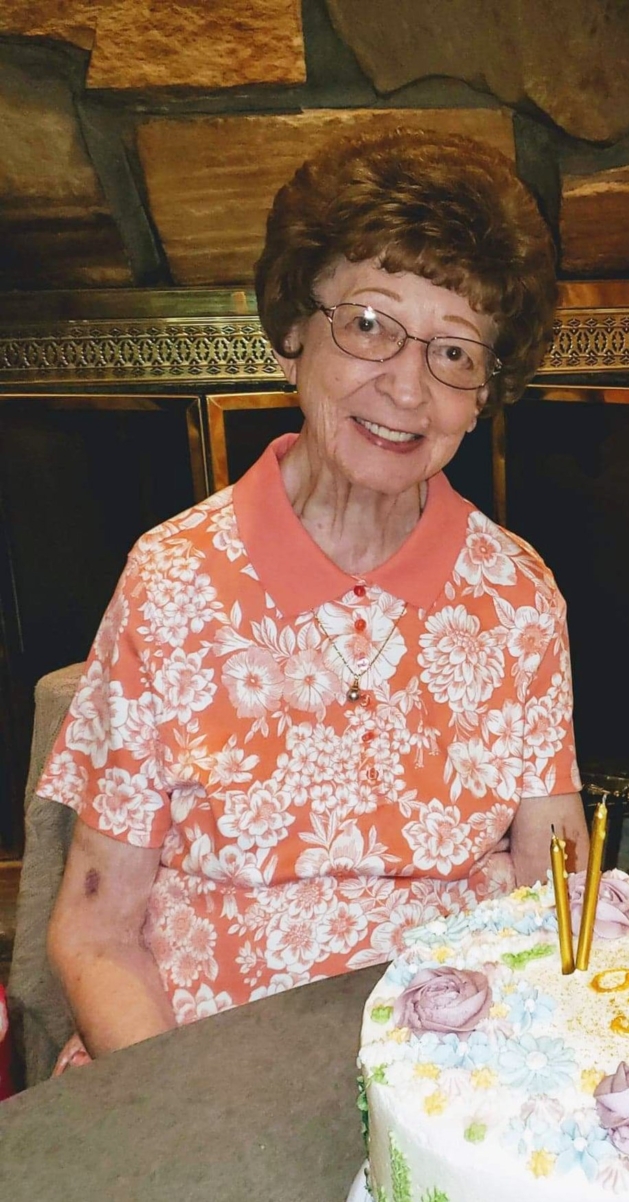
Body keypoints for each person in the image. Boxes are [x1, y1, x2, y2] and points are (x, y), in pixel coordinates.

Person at [40, 127, 586, 1059]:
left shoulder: (518, 596)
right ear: (295, 333)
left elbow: (555, 893)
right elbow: (95, 935)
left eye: (456, 353)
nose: (407, 389)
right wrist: (191, 1114)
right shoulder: (172, 581)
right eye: (369, 325)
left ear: (483, 395)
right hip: (202, 1064)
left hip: (453, 1067)